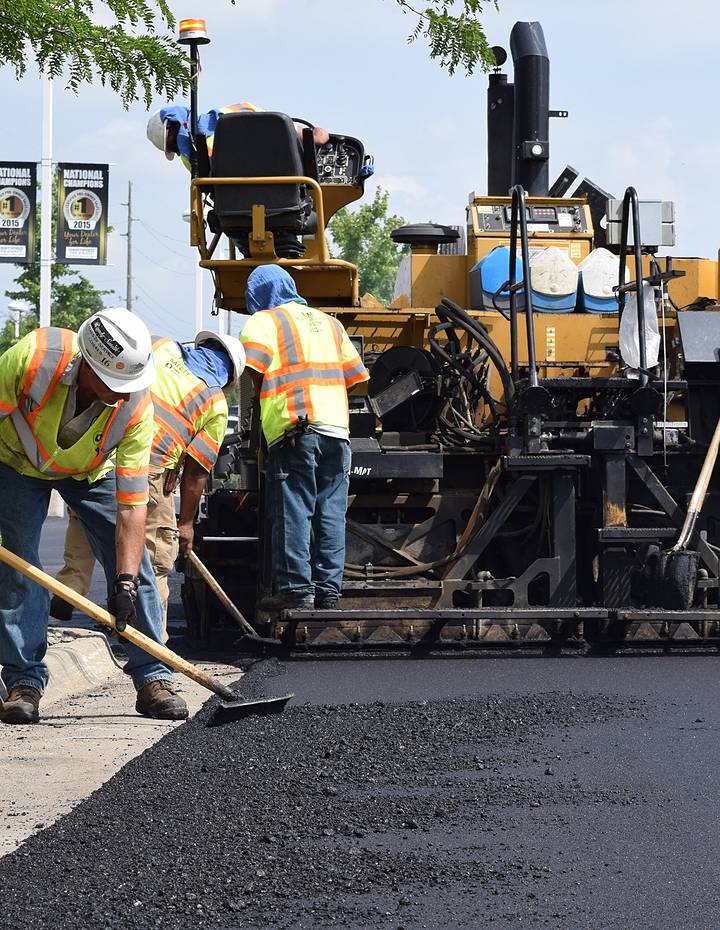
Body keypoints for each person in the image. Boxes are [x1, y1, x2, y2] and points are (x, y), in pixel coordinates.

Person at [0, 308, 188, 724]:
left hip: (88, 471)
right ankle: (23, 682)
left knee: (135, 569)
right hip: (14, 462)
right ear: (85, 362)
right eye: (111, 384)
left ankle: (154, 675)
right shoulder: (33, 358)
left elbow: (132, 505)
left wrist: (122, 583)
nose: (119, 396)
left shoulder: (136, 407)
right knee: (19, 567)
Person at [50, 331, 246, 639]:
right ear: (229, 375)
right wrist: (185, 524)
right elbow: (196, 474)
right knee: (155, 557)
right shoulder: (215, 401)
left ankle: (70, 586)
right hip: (152, 470)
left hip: (107, 447)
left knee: (87, 518)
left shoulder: (160, 345)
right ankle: (153, 639)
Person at [239, 265, 369, 611]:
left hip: (296, 427)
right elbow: (357, 378)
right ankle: (328, 591)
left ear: (258, 296)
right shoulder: (330, 323)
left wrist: (259, 422)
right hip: (337, 431)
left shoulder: (265, 322)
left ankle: (297, 590)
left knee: (295, 508)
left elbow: (252, 373)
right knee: (330, 511)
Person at [146, 104, 330, 170]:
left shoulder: (191, 161)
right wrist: (313, 139)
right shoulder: (230, 115)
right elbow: (276, 125)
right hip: (288, 201)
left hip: (237, 219)